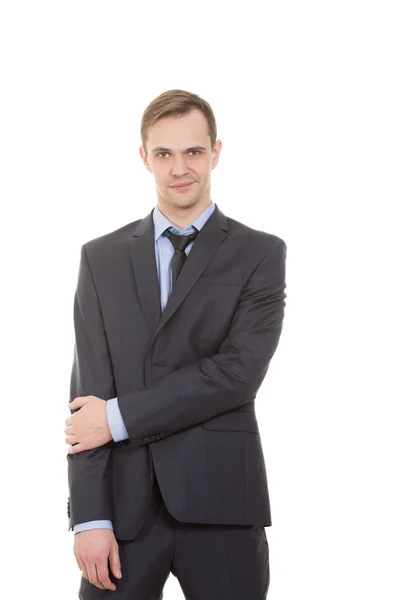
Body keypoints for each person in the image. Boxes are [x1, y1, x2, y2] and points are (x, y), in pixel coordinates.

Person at [64, 88, 287, 600]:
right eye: (163, 153)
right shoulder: (101, 258)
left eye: (193, 151)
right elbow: (87, 402)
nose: (179, 167)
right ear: (144, 158)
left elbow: (237, 374)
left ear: (216, 152)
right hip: (122, 513)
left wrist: (118, 418)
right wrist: (90, 517)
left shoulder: (259, 254)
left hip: (223, 505)